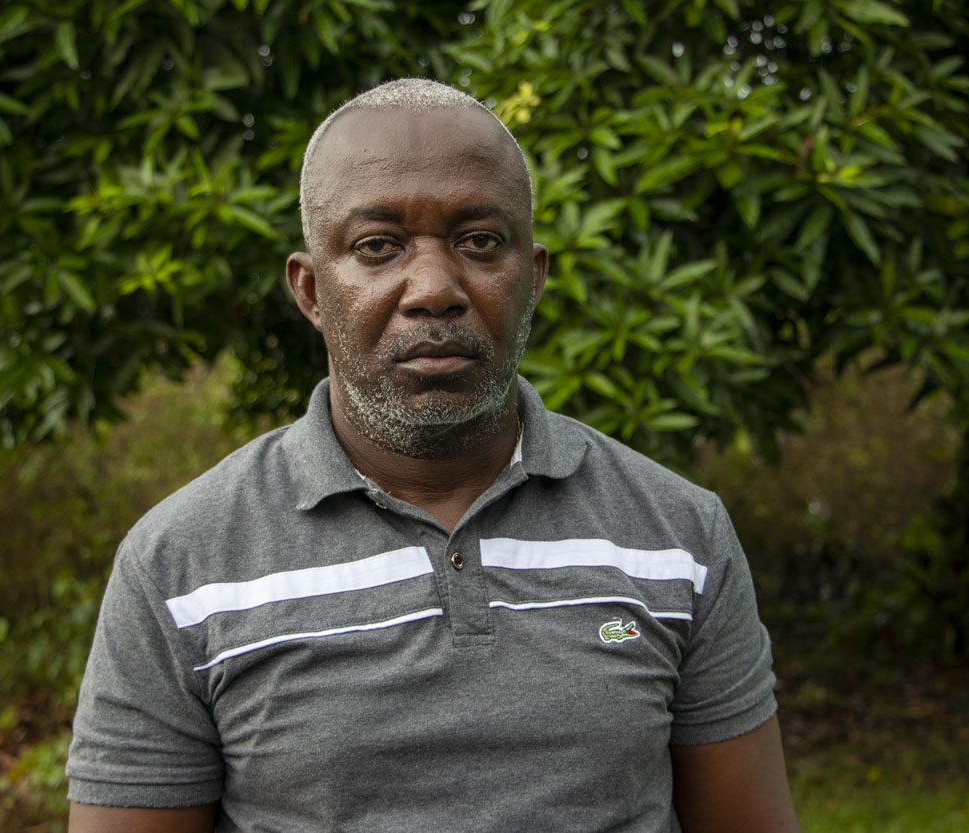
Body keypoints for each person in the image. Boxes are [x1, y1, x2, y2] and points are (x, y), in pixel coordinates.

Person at [65, 78, 801, 833]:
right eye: (377, 247)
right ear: (312, 290)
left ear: (535, 278)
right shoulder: (181, 563)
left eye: (479, 241)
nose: (434, 289)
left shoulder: (677, 534)